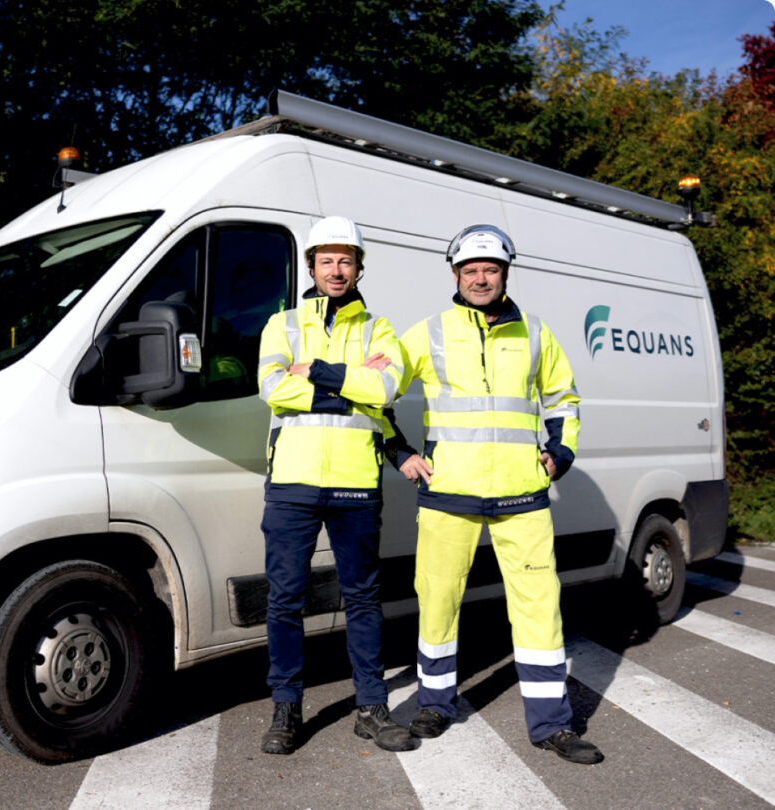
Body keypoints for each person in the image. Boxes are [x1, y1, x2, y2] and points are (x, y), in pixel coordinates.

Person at [387, 224, 604, 765]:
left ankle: (552, 725)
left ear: (504, 273)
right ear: (456, 275)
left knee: (539, 609)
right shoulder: (430, 331)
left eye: (490, 270)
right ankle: (436, 704)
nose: (480, 279)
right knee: (438, 601)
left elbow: (563, 397)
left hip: (521, 494)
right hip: (448, 492)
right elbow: (375, 391)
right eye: (470, 271)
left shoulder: (534, 332)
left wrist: (562, 450)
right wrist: (399, 453)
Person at [256, 215, 412, 755]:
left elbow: (387, 386)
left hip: (355, 483)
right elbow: (272, 388)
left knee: (364, 599)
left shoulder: (380, 329)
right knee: (285, 600)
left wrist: (316, 371)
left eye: (346, 260)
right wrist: (351, 383)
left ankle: (371, 707)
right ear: (312, 266)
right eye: (327, 260)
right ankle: (286, 709)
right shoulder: (282, 324)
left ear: (359, 266)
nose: (337, 270)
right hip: (293, 482)